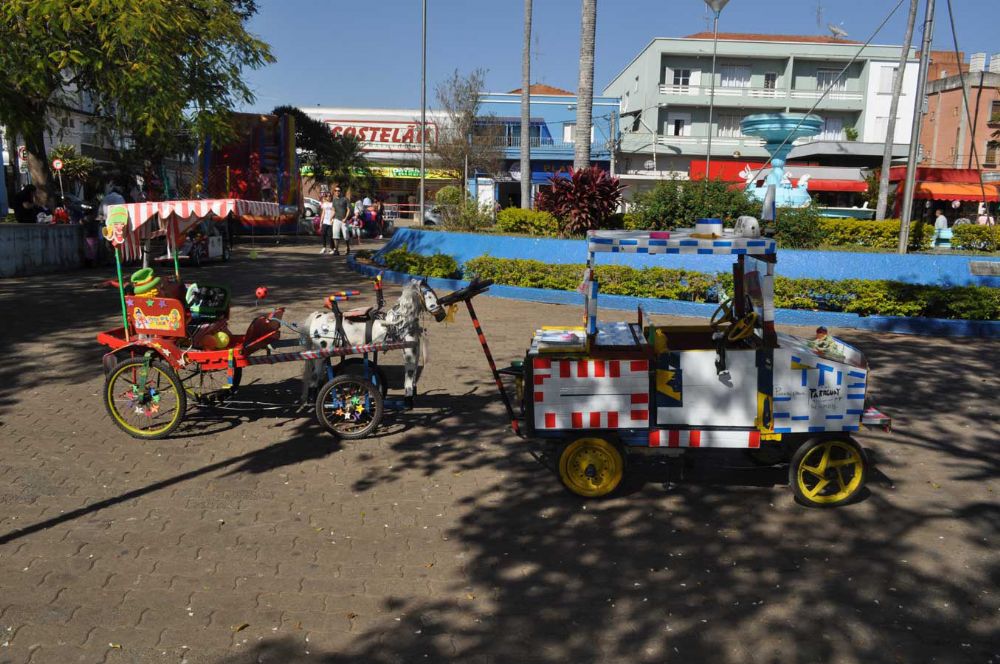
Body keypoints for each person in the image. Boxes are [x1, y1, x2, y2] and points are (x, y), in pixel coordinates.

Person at [329, 185, 351, 255]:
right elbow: (333, 210)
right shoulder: (334, 200)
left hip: (344, 220)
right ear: (334, 192)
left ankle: (347, 248)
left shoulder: (345, 199)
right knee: (335, 235)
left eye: (338, 191)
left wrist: (345, 218)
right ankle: (336, 250)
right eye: (336, 191)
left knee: (346, 235)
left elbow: (348, 210)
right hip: (336, 219)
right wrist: (331, 218)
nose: (337, 192)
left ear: (340, 192)